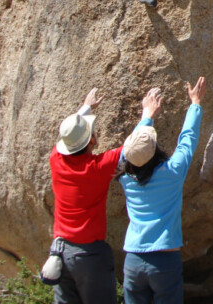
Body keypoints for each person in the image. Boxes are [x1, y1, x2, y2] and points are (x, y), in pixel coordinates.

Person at [49, 88, 152, 304]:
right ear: (92, 142)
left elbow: (66, 135)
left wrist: (86, 107)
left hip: (59, 252)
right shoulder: (97, 167)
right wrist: (148, 114)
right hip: (88, 256)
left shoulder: (56, 159)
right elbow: (133, 147)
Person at [117, 76, 206, 304]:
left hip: (133, 260)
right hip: (164, 261)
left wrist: (146, 116)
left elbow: (127, 155)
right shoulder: (172, 173)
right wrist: (195, 103)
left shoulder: (125, 178)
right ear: (155, 148)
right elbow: (188, 140)